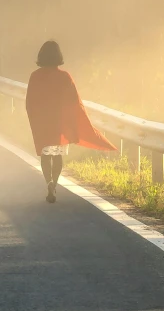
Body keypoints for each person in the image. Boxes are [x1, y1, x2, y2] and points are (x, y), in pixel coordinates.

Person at [25, 40, 114, 201]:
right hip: (59, 122)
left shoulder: (35, 76)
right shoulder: (65, 76)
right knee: (57, 155)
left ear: (41, 56)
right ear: (58, 56)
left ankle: (48, 182)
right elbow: (74, 101)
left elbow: (30, 101)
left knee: (45, 155)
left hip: (42, 122)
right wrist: (73, 122)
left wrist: (34, 119)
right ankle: (55, 183)